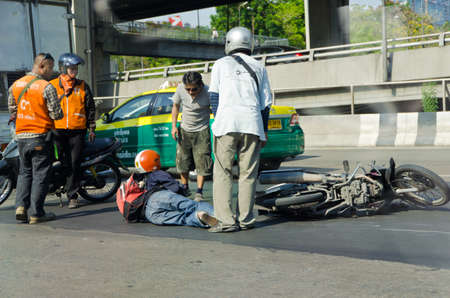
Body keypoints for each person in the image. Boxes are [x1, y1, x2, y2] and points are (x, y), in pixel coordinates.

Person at [208, 27, 273, 232]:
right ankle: (245, 220)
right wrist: (263, 130)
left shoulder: (220, 64)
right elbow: (266, 104)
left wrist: (220, 119)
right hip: (252, 124)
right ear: (249, 43)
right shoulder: (260, 67)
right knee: (248, 175)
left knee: (223, 173)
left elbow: (214, 97)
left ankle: (227, 221)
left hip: (226, 124)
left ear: (228, 43)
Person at [8, 53, 63, 224]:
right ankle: (36, 214)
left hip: (21, 138)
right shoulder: (46, 87)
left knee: (24, 173)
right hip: (39, 136)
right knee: (40, 175)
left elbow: (13, 111)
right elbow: (56, 114)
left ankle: (20, 207)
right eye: (50, 68)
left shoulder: (15, 85)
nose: (51, 72)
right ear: (42, 66)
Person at [49, 53, 96, 209]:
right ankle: (61, 186)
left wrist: (91, 128)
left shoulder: (83, 85)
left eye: (76, 68)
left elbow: (90, 107)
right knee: (63, 162)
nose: (74, 70)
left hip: (77, 130)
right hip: (58, 130)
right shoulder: (52, 86)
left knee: (75, 163)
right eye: (71, 68)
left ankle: (73, 196)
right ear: (63, 68)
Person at [135, 150, 218, 228]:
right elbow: (175, 188)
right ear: (154, 163)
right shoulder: (158, 173)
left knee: (182, 218)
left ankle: (198, 217)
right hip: (160, 197)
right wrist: (183, 191)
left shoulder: (142, 179)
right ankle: (220, 216)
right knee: (194, 206)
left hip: (149, 213)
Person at [171, 71, 213, 202]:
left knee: (202, 161)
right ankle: (185, 187)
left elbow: (217, 109)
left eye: (193, 89)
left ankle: (199, 191)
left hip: (202, 130)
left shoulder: (209, 92)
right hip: (184, 130)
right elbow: (175, 106)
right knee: (182, 161)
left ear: (201, 85)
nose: (190, 92)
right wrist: (174, 126)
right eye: (187, 89)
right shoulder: (180, 89)